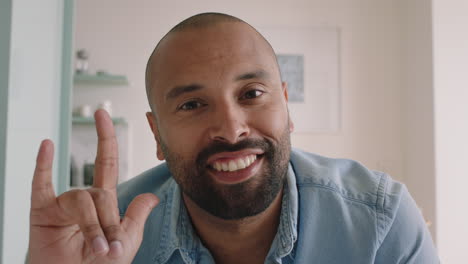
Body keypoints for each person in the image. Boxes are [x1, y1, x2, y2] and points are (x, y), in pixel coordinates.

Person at [28, 13, 439, 264]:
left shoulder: (377, 223)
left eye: (252, 95)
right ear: (157, 134)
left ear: (285, 104)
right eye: (191, 105)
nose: (230, 128)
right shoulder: (102, 241)